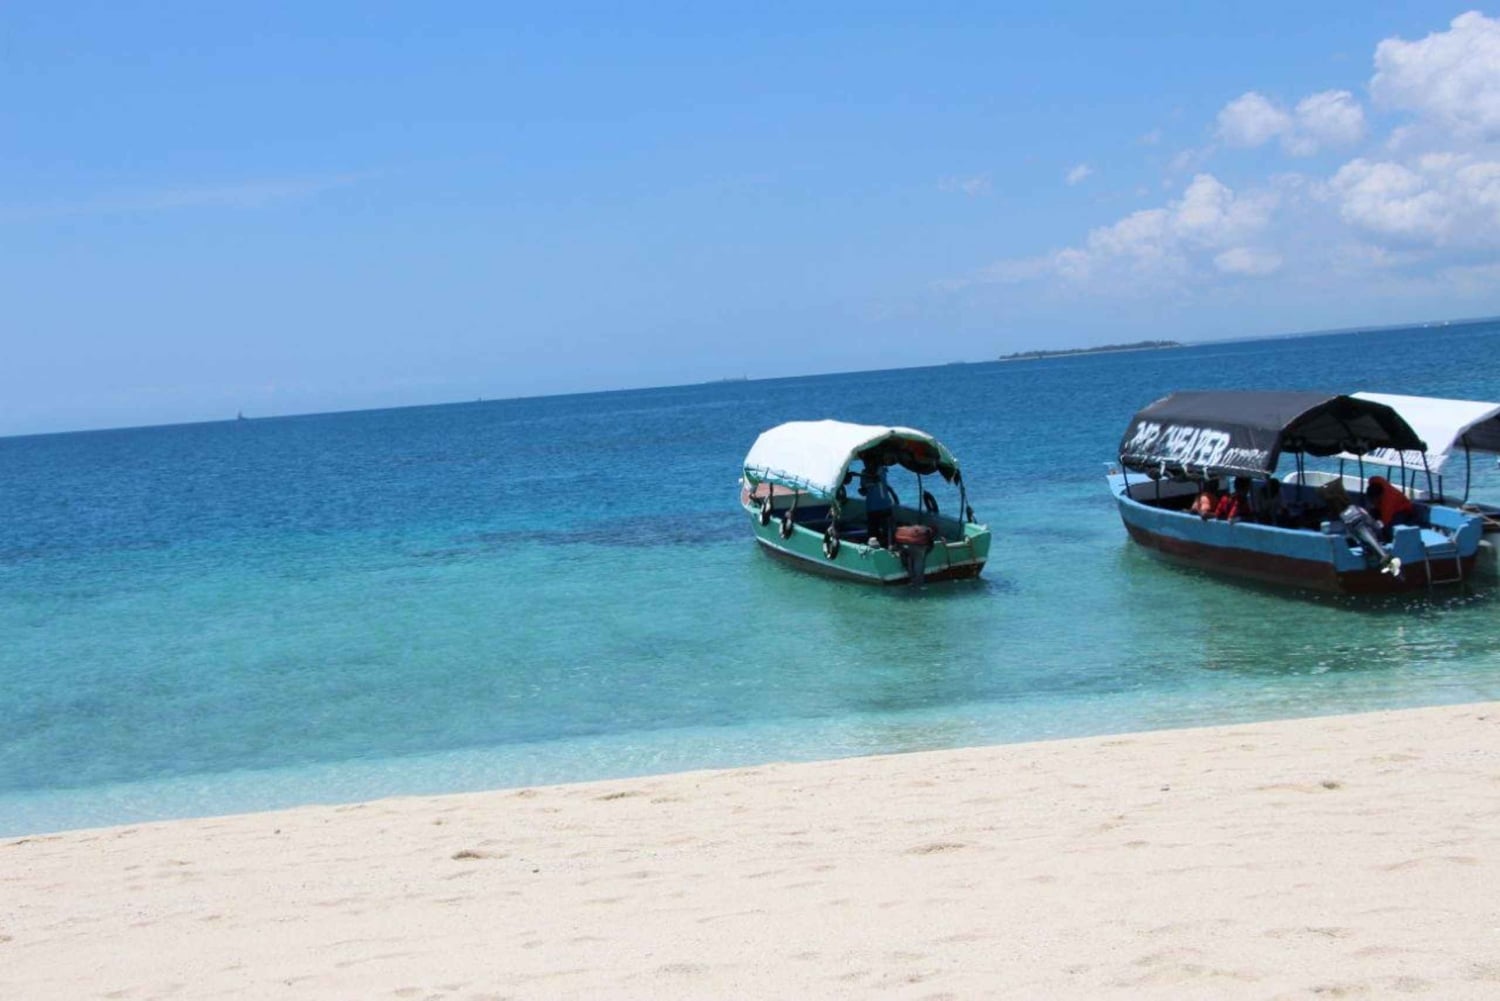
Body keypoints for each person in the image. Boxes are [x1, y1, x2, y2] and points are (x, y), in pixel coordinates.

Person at [1319, 480, 1402, 576]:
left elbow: (1363, 530)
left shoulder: (1350, 514)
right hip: (1367, 533)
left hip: (1371, 535)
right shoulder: (1355, 510)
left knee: (1369, 539)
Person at [1365, 476, 1417, 541]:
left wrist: (1381, 531)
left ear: (1379, 497)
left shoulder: (1388, 501)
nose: (1372, 502)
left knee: (1389, 529)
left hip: (1402, 511)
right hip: (1386, 509)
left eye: (1373, 500)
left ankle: (1390, 541)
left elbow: (1386, 521)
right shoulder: (1376, 489)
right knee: (1372, 514)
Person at [858, 458, 894, 547]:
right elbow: (865, 490)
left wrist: (865, 488)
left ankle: (885, 545)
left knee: (875, 532)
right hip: (883, 506)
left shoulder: (878, 470)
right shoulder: (880, 470)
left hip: (875, 508)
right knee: (885, 531)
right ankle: (888, 545)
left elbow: (865, 490)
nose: (866, 464)